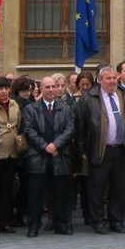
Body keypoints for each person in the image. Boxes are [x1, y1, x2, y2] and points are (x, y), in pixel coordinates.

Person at [77, 65, 125, 234]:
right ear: (100, 81)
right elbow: (81, 126)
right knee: (97, 188)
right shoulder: (89, 99)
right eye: (108, 78)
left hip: (120, 149)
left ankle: (116, 220)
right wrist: (83, 151)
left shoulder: (123, 96)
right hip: (99, 150)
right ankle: (97, 220)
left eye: (114, 78)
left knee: (118, 188)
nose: (112, 81)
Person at [23, 74, 76, 236]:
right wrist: (45, 146)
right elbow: (29, 130)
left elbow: (69, 129)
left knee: (61, 193)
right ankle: (33, 226)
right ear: (41, 89)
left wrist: (55, 145)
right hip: (38, 157)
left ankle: (61, 224)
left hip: (60, 157)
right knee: (35, 195)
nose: (51, 90)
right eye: (48, 87)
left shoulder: (65, 109)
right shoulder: (31, 109)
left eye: (54, 87)